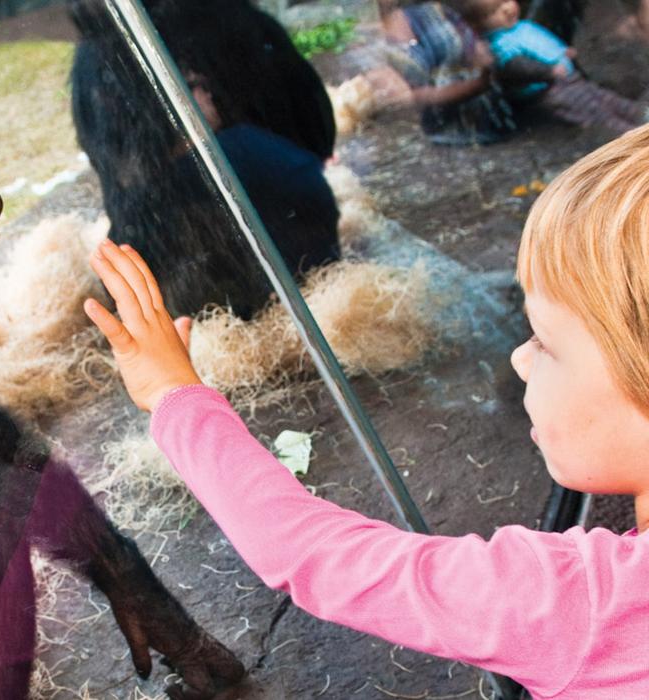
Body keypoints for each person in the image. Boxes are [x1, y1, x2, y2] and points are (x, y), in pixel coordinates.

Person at [82, 124, 649, 698]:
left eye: (546, 342)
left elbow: (305, 550)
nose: (521, 358)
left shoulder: (577, 603)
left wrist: (173, 396)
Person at [464, 0, 649, 133]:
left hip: (568, 80)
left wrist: (562, 52)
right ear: (479, 25)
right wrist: (548, 72)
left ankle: (640, 116)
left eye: (505, 1)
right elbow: (515, 67)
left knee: (604, 98)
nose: (505, 9)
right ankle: (631, 137)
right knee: (595, 112)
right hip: (550, 91)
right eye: (493, 12)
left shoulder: (520, 27)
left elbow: (540, 44)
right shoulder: (500, 44)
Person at [378, 0, 517, 145]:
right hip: (439, 139)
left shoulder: (434, 12)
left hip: (491, 123)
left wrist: (484, 58)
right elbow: (407, 99)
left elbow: (476, 49)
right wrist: (474, 86)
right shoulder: (368, 44)